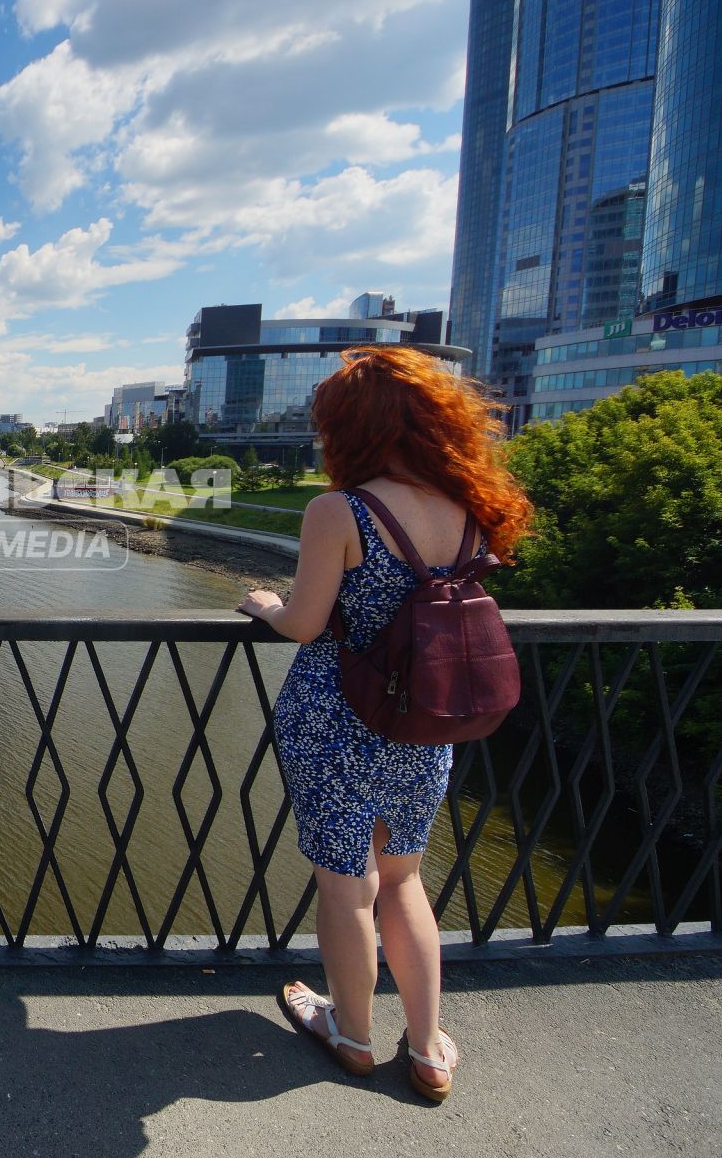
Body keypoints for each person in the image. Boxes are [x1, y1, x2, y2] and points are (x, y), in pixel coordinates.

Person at [236, 346, 531, 1103]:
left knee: (347, 889)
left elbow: (306, 623)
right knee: (403, 881)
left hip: (336, 719)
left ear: (350, 428)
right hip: (426, 720)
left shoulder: (341, 510)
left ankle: (353, 1034)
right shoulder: (468, 509)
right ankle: (429, 1049)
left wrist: (266, 607)